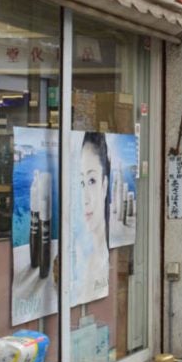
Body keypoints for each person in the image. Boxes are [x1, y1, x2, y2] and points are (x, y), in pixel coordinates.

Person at [74, 131, 111, 305]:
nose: (85, 198)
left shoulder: (106, 259)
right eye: (81, 182)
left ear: (104, 186)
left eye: (92, 181)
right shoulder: (76, 258)